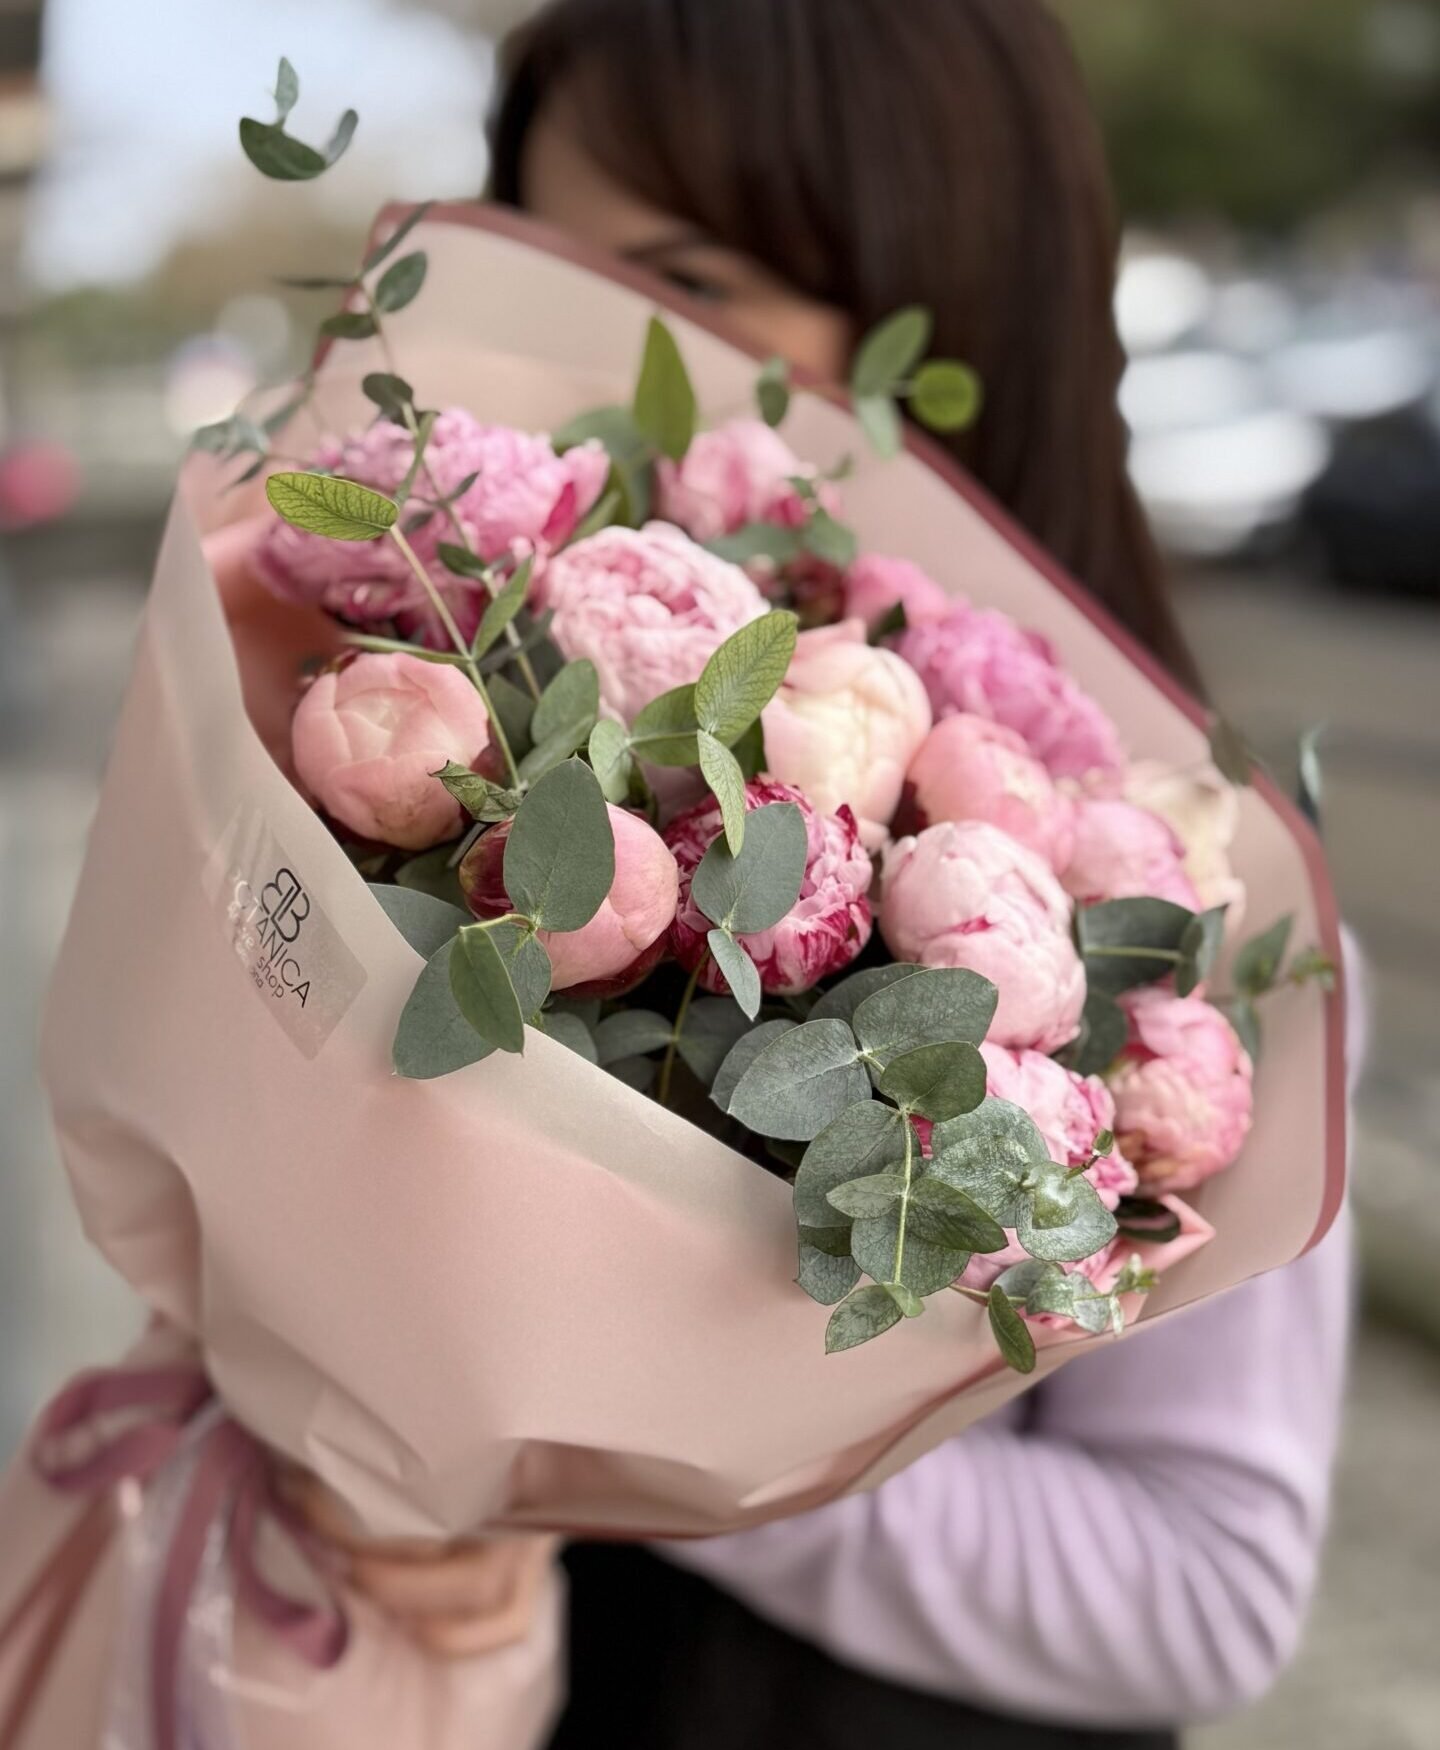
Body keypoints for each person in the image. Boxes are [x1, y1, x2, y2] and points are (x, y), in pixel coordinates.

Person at [341, 4, 1354, 1746]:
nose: (603, 357)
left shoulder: (1184, 893)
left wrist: (621, 1437)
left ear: (945, 300)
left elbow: (1202, 1583)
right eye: (552, 267)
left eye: (686, 286)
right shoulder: (480, 751)